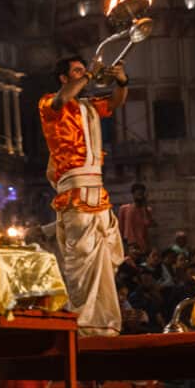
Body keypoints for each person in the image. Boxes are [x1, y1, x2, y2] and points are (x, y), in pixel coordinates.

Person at [38, 54, 128, 336]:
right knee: (81, 264)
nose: (83, 74)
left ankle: (105, 326)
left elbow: (115, 101)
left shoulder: (88, 107)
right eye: (76, 71)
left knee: (105, 266)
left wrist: (122, 81)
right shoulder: (50, 103)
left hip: (98, 194)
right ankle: (83, 327)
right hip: (75, 195)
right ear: (64, 79)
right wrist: (89, 76)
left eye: (83, 70)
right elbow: (62, 99)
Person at [117, 182, 155, 253]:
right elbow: (120, 228)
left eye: (141, 194)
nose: (139, 196)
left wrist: (145, 207)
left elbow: (148, 224)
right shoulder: (124, 209)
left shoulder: (147, 210)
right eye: (138, 194)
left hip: (143, 244)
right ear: (133, 194)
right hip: (129, 243)